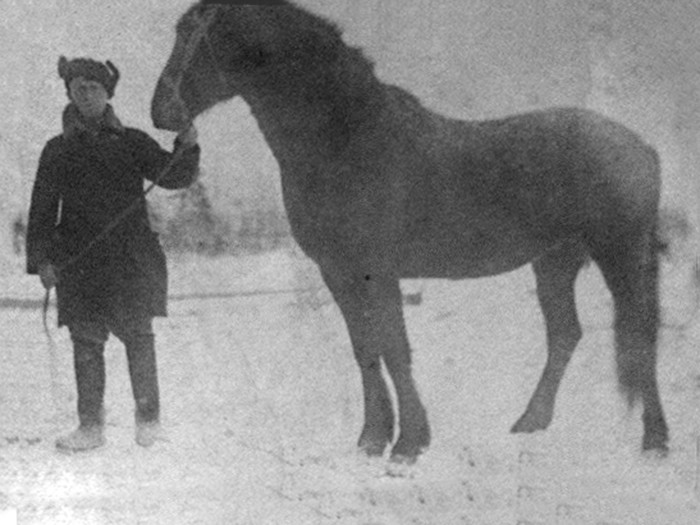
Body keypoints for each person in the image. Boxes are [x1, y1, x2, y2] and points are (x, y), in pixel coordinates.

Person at [26, 56, 200, 452]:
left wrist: (186, 146)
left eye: (93, 88)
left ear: (108, 94)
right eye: (78, 89)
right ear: (70, 94)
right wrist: (43, 261)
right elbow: (42, 211)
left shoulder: (133, 142)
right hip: (79, 263)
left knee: (139, 339)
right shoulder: (57, 150)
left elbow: (174, 174)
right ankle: (90, 428)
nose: (86, 95)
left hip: (130, 261)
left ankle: (149, 422)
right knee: (86, 344)